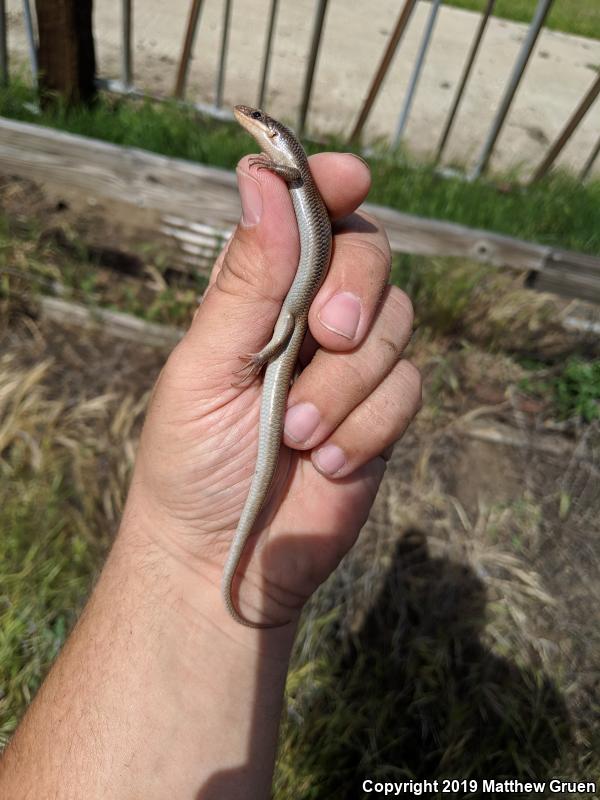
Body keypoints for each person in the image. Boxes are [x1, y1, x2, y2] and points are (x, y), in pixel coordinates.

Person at [0, 151, 421, 798]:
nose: (247, 127)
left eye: (259, 125)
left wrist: (192, 568)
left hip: (284, 340)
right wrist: (186, 559)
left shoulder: (303, 183)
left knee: (296, 327)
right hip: (272, 359)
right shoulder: (292, 183)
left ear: (279, 143)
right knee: (294, 326)